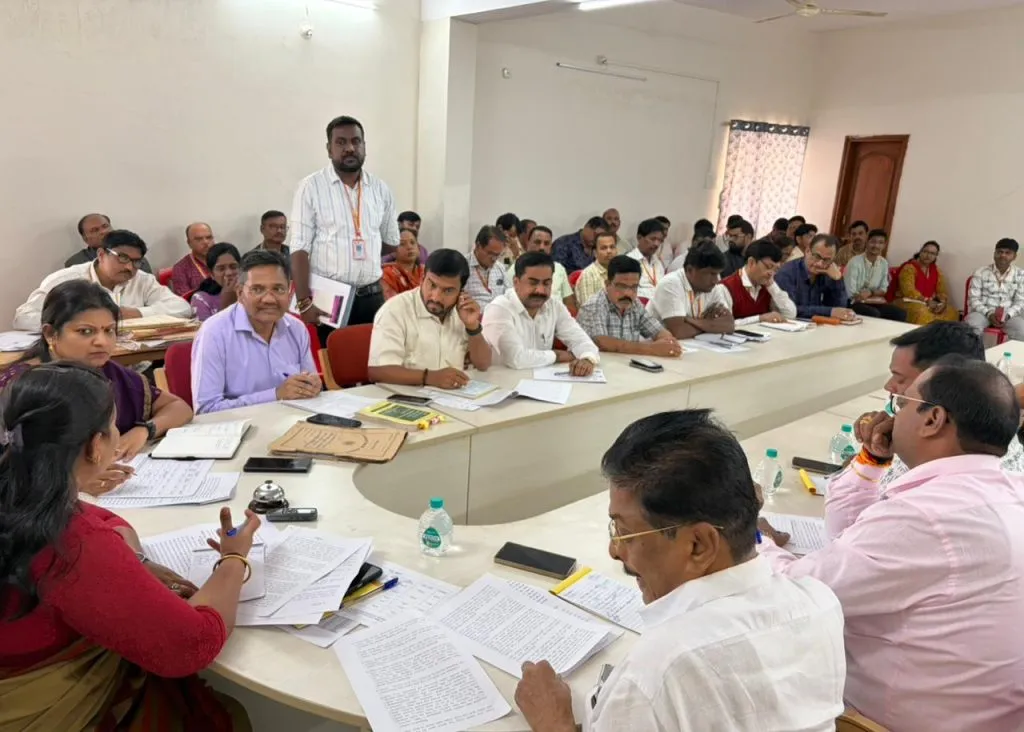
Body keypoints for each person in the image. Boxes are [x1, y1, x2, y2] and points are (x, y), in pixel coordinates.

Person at [515, 410, 845, 732]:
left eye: (625, 533)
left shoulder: (657, 674)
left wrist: (552, 722)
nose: (615, 550)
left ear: (698, 545)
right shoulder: (820, 603)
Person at [759, 357, 1024, 732]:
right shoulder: (1009, 491)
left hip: (878, 722)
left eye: (901, 405)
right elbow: (846, 540)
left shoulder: (926, 516)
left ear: (933, 420)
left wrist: (754, 538)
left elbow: (794, 595)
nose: (890, 415)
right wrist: (871, 461)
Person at [0, 362, 258, 731]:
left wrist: (134, 561)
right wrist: (234, 559)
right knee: (230, 715)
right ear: (96, 446)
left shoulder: (21, 491)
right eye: (113, 426)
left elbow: (101, 518)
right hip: (37, 707)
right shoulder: (71, 544)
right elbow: (192, 645)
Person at [1, 280, 193, 483]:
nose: (102, 341)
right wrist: (75, 483)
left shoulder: (109, 372)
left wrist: (144, 430)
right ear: (50, 334)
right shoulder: (21, 386)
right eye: (85, 331)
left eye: (109, 330)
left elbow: (178, 407)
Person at [842, 322, 1024, 496]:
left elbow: (852, 503)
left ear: (936, 381)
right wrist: (873, 450)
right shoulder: (989, 438)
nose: (889, 386)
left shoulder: (938, 458)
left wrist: (869, 461)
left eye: (900, 378)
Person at [290, 115, 399, 338]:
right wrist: (303, 301)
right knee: (333, 356)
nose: (350, 148)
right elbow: (299, 248)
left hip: (372, 295)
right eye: (341, 142)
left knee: (373, 357)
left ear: (364, 146)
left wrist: (359, 254)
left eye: (356, 141)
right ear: (329, 149)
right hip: (329, 297)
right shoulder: (311, 187)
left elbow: (391, 242)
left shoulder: (380, 189)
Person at [191, 250, 320, 414]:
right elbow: (206, 409)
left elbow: (308, 387)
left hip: (293, 420)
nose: (269, 299)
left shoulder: (296, 328)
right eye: (258, 290)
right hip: (240, 426)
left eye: (278, 289)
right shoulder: (214, 333)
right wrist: (275, 395)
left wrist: (311, 386)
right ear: (240, 293)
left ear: (289, 293)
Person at [14, 229, 191, 330]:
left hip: (135, 362)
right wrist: (79, 321)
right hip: (79, 364)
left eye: (137, 261)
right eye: (122, 258)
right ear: (101, 254)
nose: (130, 267)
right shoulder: (66, 279)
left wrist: (136, 313)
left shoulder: (142, 280)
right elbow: (23, 317)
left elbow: (182, 308)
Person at [368, 249, 491, 388]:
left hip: (451, 396)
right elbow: (377, 372)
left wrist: (472, 327)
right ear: (422, 278)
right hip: (405, 395)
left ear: (461, 291)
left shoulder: (462, 311)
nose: (436, 297)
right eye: (432, 285)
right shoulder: (395, 310)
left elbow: (483, 364)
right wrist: (429, 377)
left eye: (448, 290)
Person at [483, 252, 599, 374]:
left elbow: (581, 340)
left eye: (546, 283)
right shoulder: (499, 308)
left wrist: (586, 358)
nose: (540, 290)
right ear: (516, 282)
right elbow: (516, 358)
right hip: (503, 381)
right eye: (533, 283)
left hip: (541, 380)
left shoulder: (553, 305)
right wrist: (557, 355)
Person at [578, 256, 681, 357]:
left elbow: (658, 330)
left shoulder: (635, 304)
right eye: (621, 286)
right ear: (607, 284)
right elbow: (602, 342)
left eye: (634, 287)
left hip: (627, 363)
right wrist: (651, 349)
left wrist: (668, 342)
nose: (628, 293)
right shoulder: (595, 305)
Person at [649, 243, 734, 339]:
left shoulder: (712, 288)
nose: (716, 280)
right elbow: (679, 332)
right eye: (711, 274)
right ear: (690, 270)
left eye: (718, 274)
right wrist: (711, 325)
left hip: (691, 344)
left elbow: (729, 325)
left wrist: (693, 321)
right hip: (654, 344)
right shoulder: (670, 284)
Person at [774, 234, 856, 321]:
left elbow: (840, 308)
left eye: (826, 260)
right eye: (817, 256)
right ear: (807, 251)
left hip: (818, 325)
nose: (820, 264)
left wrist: (838, 279)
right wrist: (829, 312)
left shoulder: (828, 271)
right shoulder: (787, 272)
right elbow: (790, 310)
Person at [715, 239, 797, 326]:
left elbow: (790, 314)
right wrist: (760, 318)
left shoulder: (768, 286)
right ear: (751, 262)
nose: (771, 273)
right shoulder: (725, 287)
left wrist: (772, 286)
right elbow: (722, 324)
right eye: (768, 267)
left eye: (775, 269)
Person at [966, 238, 1024, 341]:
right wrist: (989, 314)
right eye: (1000, 252)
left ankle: (1010, 352)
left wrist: (1008, 315)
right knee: (970, 327)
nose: (1003, 255)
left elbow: (1020, 302)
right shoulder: (980, 272)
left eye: (1008, 253)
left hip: (1009, 316)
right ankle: (976, 352)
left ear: (1014, 256)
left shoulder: (1020, 275)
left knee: (1021, 330)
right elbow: (973, 299)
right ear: (994, 254)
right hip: (982, 313)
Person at [844, 229, 907, 322]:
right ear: (867, 242)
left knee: (900, 313)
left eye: (880, 243)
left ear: (884, 245)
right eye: (873, 242)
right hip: (854, 302)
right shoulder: (854, 262)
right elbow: (851, 292)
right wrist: (863, 296)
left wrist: (871, 293)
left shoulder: (884, 263)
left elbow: (883, 289)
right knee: (874, 313)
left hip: (874, 301)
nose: (876, 246)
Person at [509, 225, 576, 311]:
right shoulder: (515, 269)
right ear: (528, 243)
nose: (542, 247)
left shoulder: (559, 268)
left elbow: (569, 303)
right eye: (537, 242)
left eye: (546, 243)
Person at [67, 213, 153, 273]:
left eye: (105, 226)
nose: (103, 232)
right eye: (95, 230)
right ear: (85, 239)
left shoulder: (135, 257)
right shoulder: (75, 263)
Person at [895, 241, 958, 324]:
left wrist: (942, 303)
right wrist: (927, 301)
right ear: (920, 252)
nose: (928, 255)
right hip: (907, 300)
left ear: (936, 256)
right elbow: (908, 291)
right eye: (925, 252)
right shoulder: (909, 268)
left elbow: (942, 291)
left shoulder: (936, 271)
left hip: (928, 302)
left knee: (952, 312)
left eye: (932, 253)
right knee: (922, 312)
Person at [192, 243, 242, 322]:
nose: (229, 273)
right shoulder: (201, 299)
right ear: (212, 274)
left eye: (233, 267)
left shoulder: (250, 293)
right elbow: (207, 329)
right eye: (221, 269)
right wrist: (227, 303)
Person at [462, 225, 508, 308]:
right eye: (490, 253)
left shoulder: (500, 267)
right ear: (478, 246)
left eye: (497, 255)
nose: (494, 259)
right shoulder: (462, 266)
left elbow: (508, 295)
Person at [170, 222, 216, 296]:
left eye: (209, 237)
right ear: (189, 243)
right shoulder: (181, 268)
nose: (206, 242)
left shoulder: (223, 260)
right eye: (199, 239)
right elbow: (185, 299)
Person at [625, 218, 666, 301]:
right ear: (639, 237)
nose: (656, 244)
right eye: (653, 239)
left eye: (660, 240)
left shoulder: (658, 262)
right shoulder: (629, 261)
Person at [574, 231, 619, 306]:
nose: (609, 251)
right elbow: (589, 308)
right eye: (604, 248)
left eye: (612, 247)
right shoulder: (588, 275)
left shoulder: (621, 270)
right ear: (595, 253)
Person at [381, 228, 425, 300]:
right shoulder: (388, 274)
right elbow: (392, 303)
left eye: (412, 242)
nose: (409, 247)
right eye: (402, 244)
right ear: (393, 251)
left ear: (418, 248)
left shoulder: (426, 271)